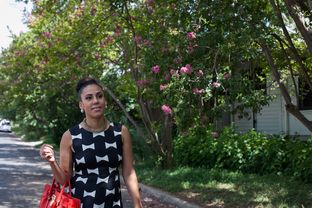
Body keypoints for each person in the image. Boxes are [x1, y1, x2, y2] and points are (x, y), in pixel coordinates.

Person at [39, 76, 143, 208]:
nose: (95, 101)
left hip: (113, 204)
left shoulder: (121, 132)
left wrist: (137, 203)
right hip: (81, 204)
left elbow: (128, 172)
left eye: (99, 96)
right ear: (81, 105)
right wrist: (52, 161)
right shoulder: (71, 136)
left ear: (105, 100)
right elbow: (64, 179)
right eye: (89, 98)